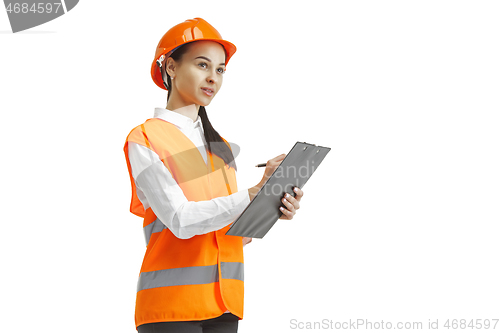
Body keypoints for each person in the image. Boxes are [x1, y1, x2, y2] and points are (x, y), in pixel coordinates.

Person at [123, 17, 304, 333]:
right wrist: (251, 193)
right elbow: (180, 220)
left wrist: (270, 204)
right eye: (202, 65)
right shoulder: (146, 138)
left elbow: (230, 235)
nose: (213, 78)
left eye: (220, 70)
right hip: (171, 309)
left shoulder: (219, 149)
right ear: (170, 67)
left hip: (224, 303)